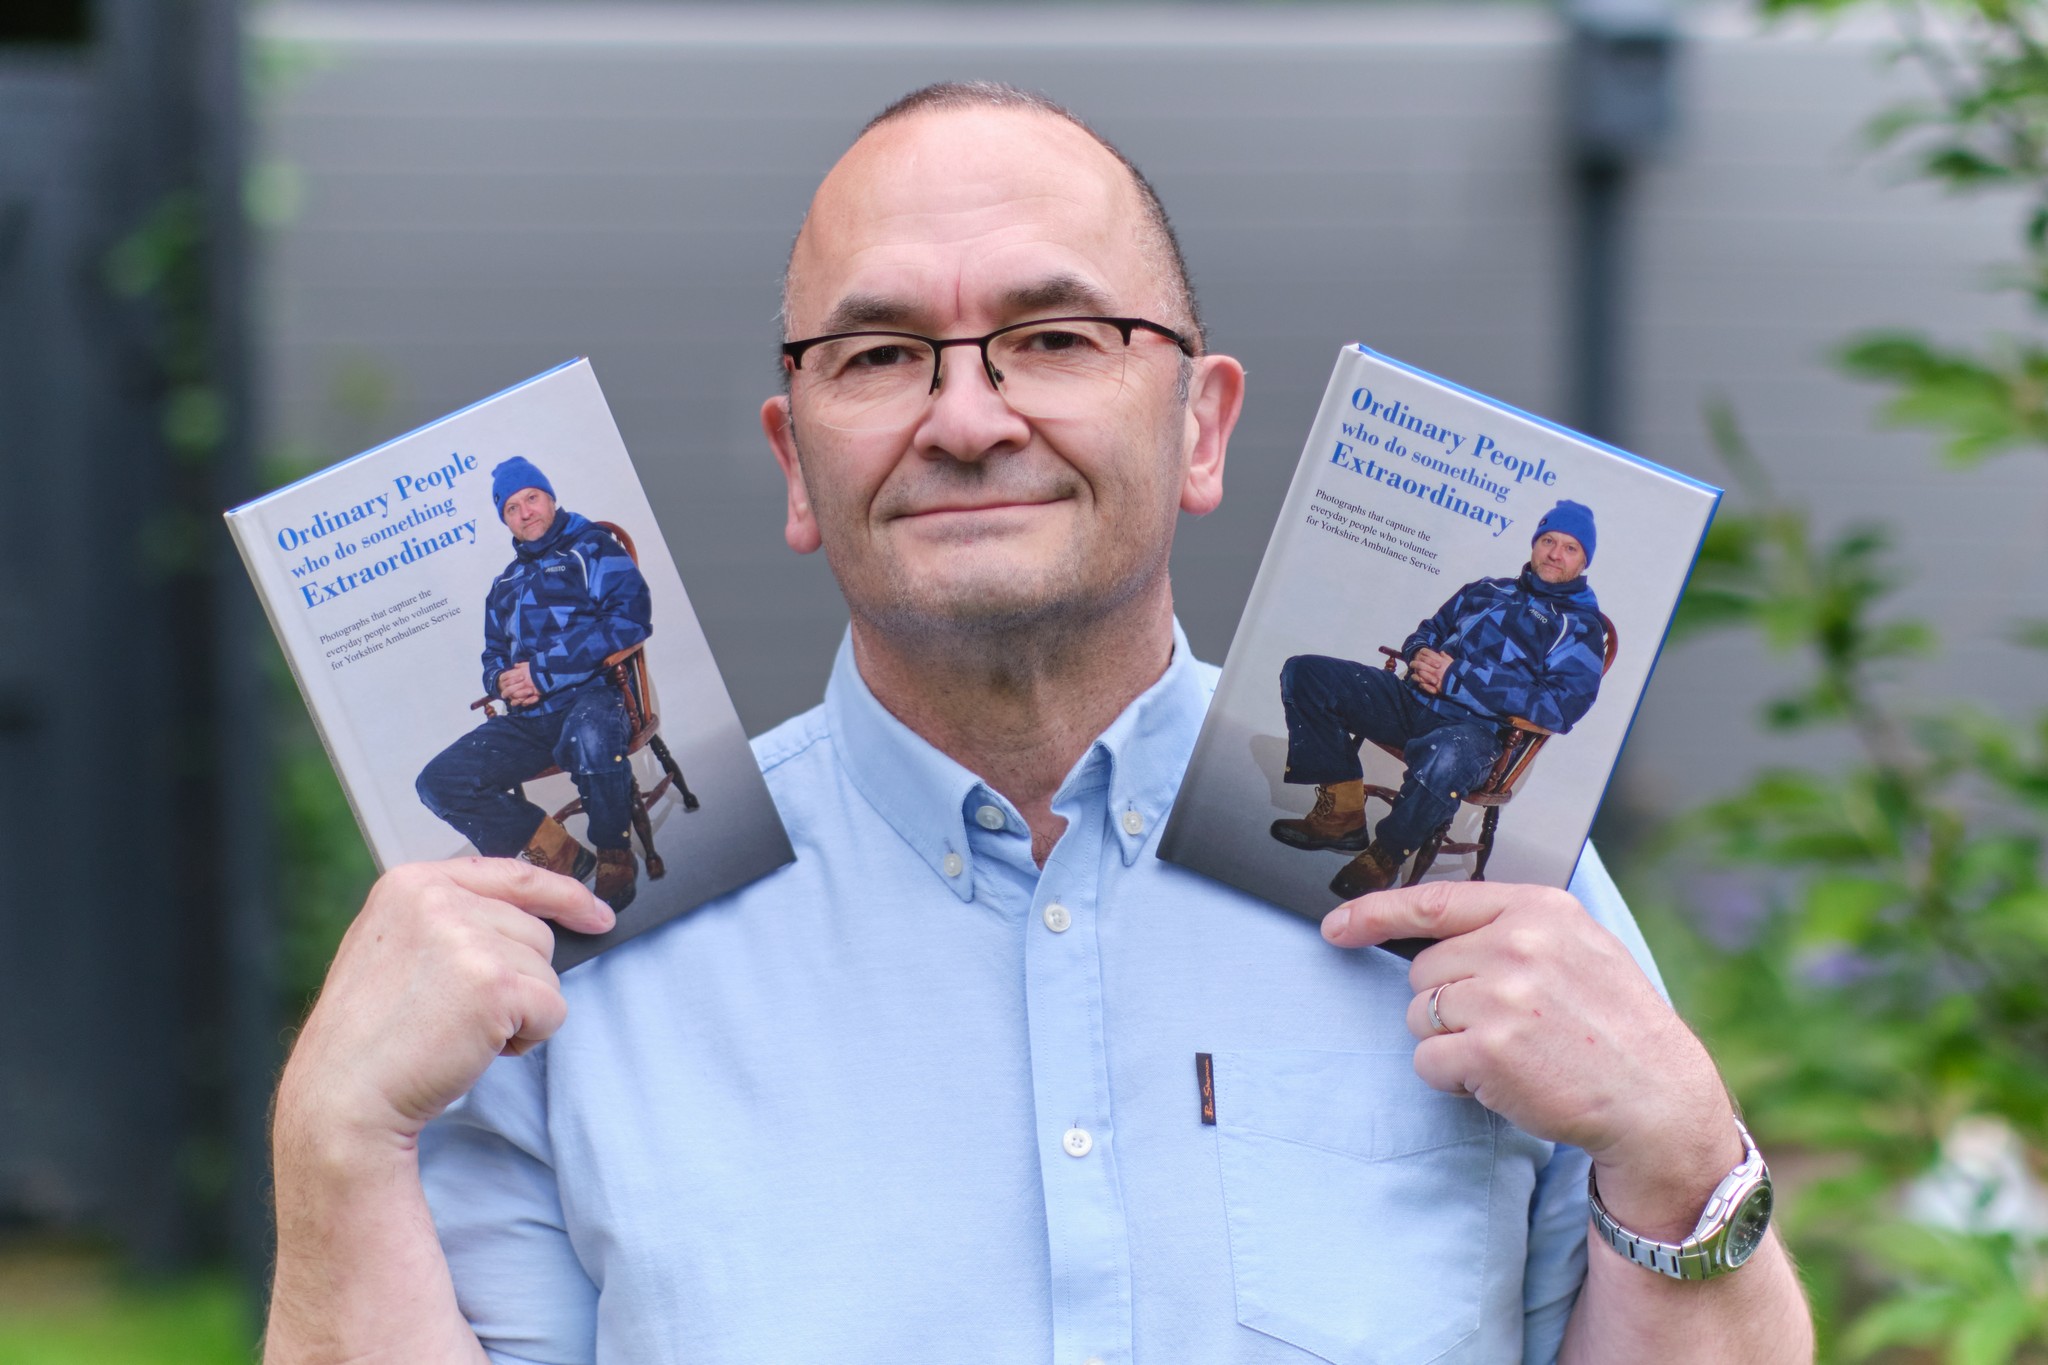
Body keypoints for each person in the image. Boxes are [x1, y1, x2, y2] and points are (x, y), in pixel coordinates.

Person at [266, 84, 1813, 1364]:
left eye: (1057, 338)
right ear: (797, 464)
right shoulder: (570, 966)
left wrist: (1681, 1154)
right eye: (878, 357)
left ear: (1200, 424)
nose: (967, 415)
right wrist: (336, 1151)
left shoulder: (1509, 914)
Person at [1272, 500, 1609, 898]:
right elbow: (1428, 630)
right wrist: (1420, 657)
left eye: (1570, 548)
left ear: (1584, 562)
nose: (1555, 553)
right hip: (1412, 699)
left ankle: (1385, 854)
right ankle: (1342, 814)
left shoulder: (1580, 628)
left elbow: (1558, 708)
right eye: (1548, 540)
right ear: (1534, 543)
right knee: (1307, 673)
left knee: (1448, 756)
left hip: (1475, 731)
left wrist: (1456, 678)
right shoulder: (1487, 590)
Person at [414, 457, 652, 911]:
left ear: (550, 497)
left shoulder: (593, 548)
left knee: (590, 737)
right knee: (438, 782)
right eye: (511, 508)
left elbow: (628, 621)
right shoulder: (505, 584)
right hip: (529, 719)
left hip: (593, 697)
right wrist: (502, 682)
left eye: (532, 498)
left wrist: (543, 673)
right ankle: (562, 853)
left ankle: (613, 851)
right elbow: (492, 655)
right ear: (505, 520)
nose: (525, 512)